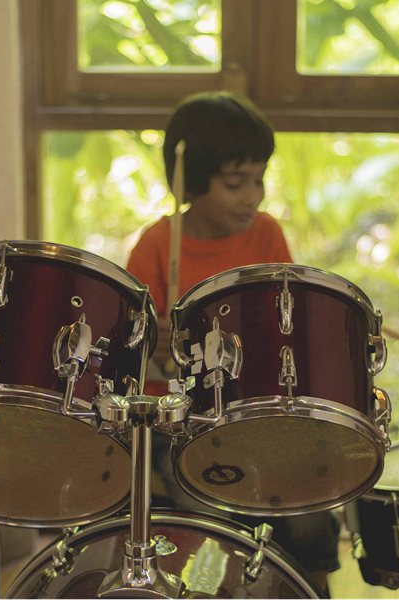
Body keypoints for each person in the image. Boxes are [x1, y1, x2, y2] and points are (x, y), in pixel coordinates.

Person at [125, 91, 340, 597]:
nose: (253, 197)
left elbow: (287, 325)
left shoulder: (266, 235)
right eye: (235, 183)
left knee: (309, 508)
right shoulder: (156, 244)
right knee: (211, 513)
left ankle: (313, 588)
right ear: (191, 181)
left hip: (256, 409)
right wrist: (153, 342)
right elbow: (128, 353)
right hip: (180, 420)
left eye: (259, 180)